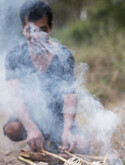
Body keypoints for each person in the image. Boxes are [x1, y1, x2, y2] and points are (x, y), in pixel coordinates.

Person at [3, 0, 89, 153]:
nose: (36, 37)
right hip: (30, 114)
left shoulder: (64, 55)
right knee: (12, 129)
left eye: (42, 30)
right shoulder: (14, 56)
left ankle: (54, 138)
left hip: (58, 117)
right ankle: (36, 136)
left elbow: (70, 96)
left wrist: (67, 130)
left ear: (51, 28)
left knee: (81, 145)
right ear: (23, 28)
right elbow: (14, 96)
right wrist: (31, 129)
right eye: (30, 30)